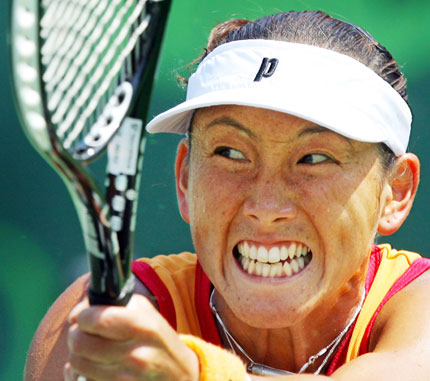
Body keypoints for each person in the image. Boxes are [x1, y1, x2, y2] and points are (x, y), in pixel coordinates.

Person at [25, 10, 430, 381]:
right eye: (230, 153)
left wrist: (192, 373)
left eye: (314, 158)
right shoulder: (91, 319)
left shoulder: (420, 310)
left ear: (395, 191)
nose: (266, 207)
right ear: (185, 177)